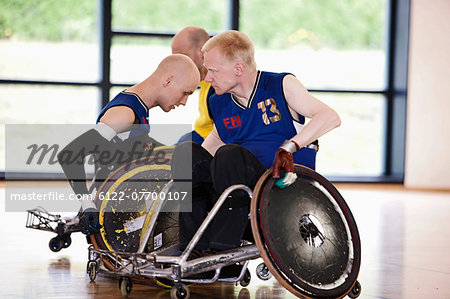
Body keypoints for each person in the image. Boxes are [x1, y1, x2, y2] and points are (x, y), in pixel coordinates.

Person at [172, 30, 341, 254]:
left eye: (212, 71)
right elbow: (213, 143)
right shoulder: (218, 101)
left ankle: (224, 247)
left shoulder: (280, 85)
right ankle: (192, 249)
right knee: (187, 152)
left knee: (229, 154)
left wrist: (289, 147)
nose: (207, 78)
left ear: (239, 68)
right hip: (234, 184)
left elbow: (330, 117)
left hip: (278, 183)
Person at [58, 54, 200, 235]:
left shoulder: (138, 106)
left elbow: (137, 144)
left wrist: (173, 151)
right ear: (168, 80)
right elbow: (70, 155)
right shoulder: (124, 113)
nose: (184, 102)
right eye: (185, 93)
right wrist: (87, 206)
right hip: (114, 212)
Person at [171, 26, 215, 144]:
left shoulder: (219, 87)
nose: (178, 63)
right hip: (197, 135)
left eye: (182, 55)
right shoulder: (204, 81)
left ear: (202, 52)